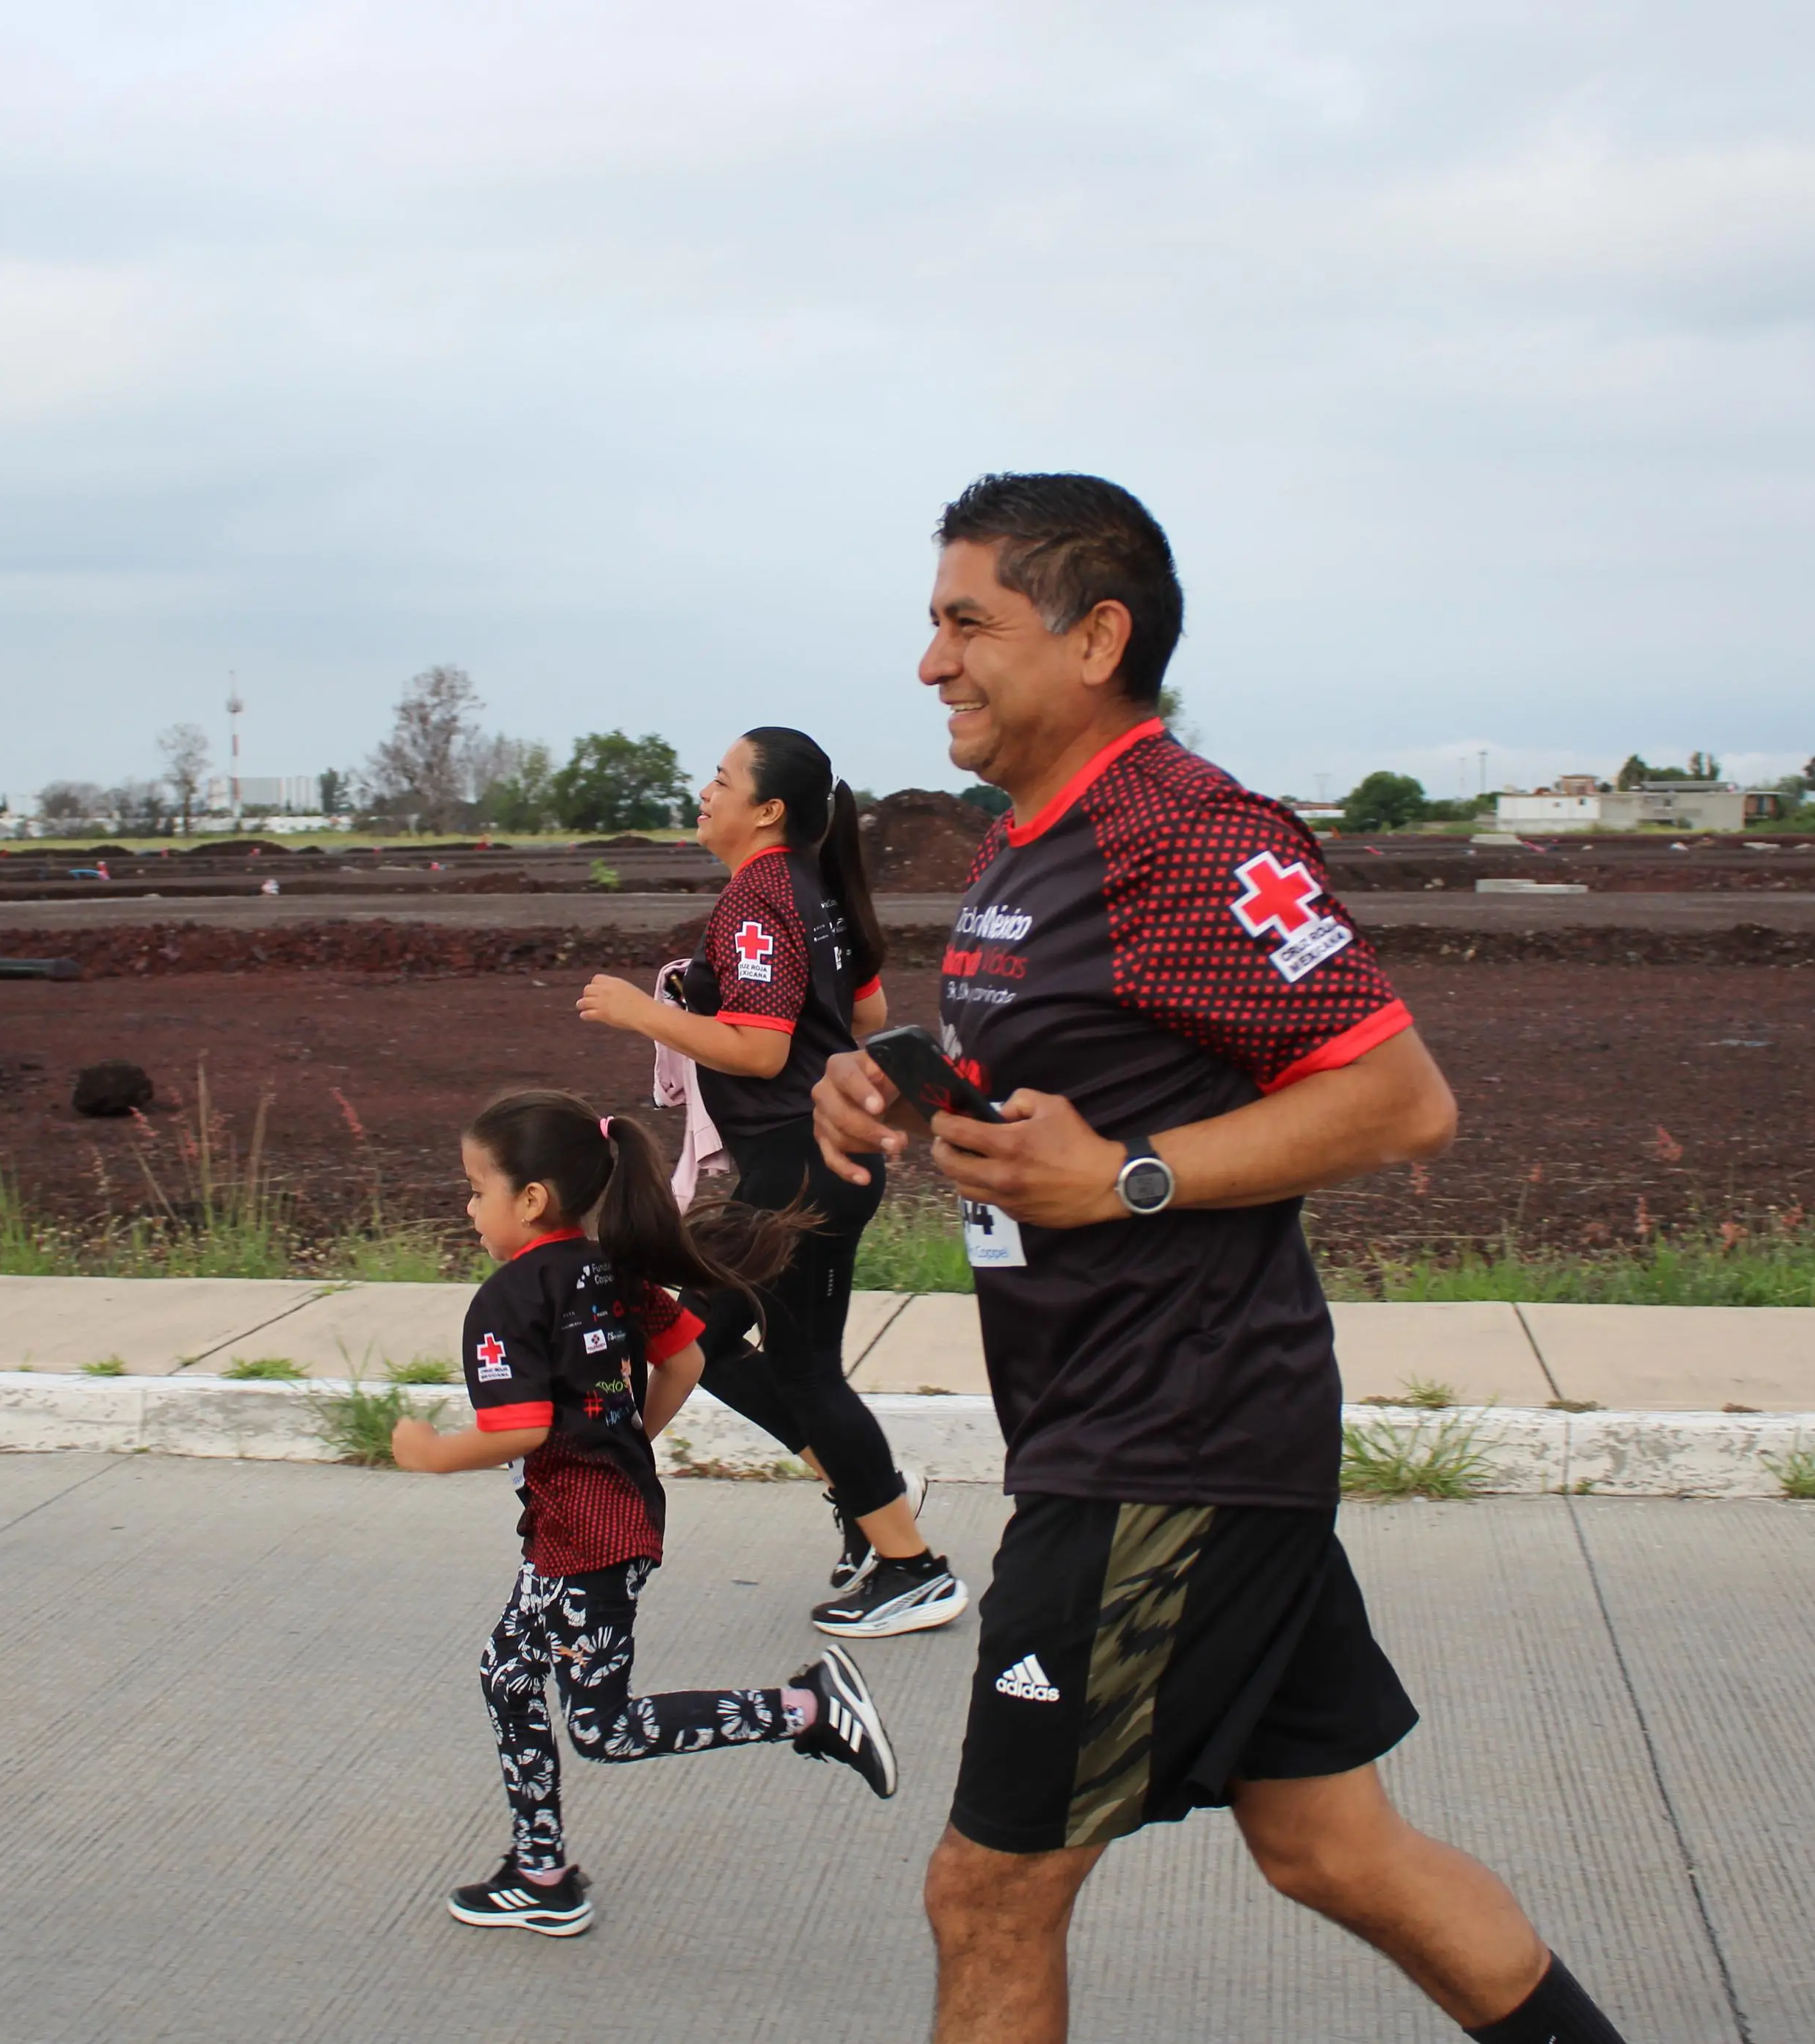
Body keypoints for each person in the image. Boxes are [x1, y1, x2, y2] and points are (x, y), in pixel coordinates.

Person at [811, 475, 1635, 2044]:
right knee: (1333, 1846)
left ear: (1095, 635)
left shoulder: (1183, 836)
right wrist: (901, 1097)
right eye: (932, 624)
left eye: (966, 622)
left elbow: (1401, 1102)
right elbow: (1076, 1097)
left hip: (1164, 1441)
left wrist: (1120, 1179)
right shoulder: (1026, 845)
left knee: (988, 1890)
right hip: (1145, 1423)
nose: (931, 664)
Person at [390, 1087, 899, 1937]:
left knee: (604, 1728)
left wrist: (430, 1452)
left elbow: (521, 1426)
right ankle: (540, 1871)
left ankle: (810, 1709)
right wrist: (632, 1435)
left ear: (530, 1199)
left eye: (474, 1187)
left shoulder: (509, 1299)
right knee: (508, 1674)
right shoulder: (610, 1269)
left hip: (589, 1537)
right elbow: (688, 1356)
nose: (467, 1205)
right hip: (592, 1522)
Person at [576, 727, 967, 1639]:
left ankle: (909, 1565)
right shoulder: (811, 886)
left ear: (768, 810)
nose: (703, 792)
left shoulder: (758, 895)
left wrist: (647, 1013)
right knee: (702, 1335)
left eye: (720, 778)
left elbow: (762, 1047)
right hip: (809, 1161)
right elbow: (862, 1009)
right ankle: (860, 1499)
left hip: (800, 1170)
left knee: (774, 1361)